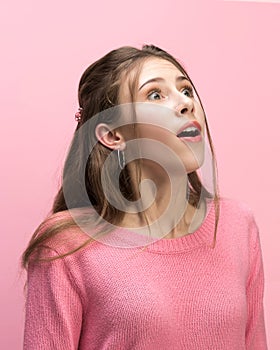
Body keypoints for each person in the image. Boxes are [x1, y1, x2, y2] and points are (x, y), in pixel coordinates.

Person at [21, 44, 268, 349]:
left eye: (187, 90)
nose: (185, 104)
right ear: (113, 135)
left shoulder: (237, 225)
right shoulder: (68, 245)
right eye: (155, 95)